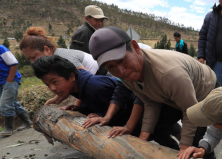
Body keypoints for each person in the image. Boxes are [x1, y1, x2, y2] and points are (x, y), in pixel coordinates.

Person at [89, 27, 218, 159]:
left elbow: (190, 111)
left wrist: (185, 147)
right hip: (174, 94)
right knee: (155, 129)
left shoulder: (169, 73)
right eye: (111, 67)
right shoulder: (129, 74)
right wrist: (143, 137)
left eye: (122, 60)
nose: (120, 71)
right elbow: (151, 101)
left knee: (198, 145)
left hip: (204, 91)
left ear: (135, 47)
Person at [31, 55, 180, 149]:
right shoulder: (80, 86)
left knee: (161, 134)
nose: (52, 88)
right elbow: (99, 105)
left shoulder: (94, 87)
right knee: (166, 131)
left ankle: (179, 157)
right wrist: (81, 108)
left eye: (55, 82)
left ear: (71, 76)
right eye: (48, 85)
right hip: (140, 112)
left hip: (143, 111)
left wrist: (104, 116)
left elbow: (122, 104)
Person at [20, 27, 100, 75]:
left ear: (47, 49)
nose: (32, 62)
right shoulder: (54, 60)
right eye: (29, 59)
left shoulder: (63, 57)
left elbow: (87, 79)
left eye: (33, 57)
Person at [0, 44, 32, 137]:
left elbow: (13, 64)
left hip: (11, 80)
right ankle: (27, 121)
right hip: (1, 82)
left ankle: (8, 128)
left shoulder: (1, 49)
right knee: (12, 102)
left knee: (5, 104)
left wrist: (9, 80)